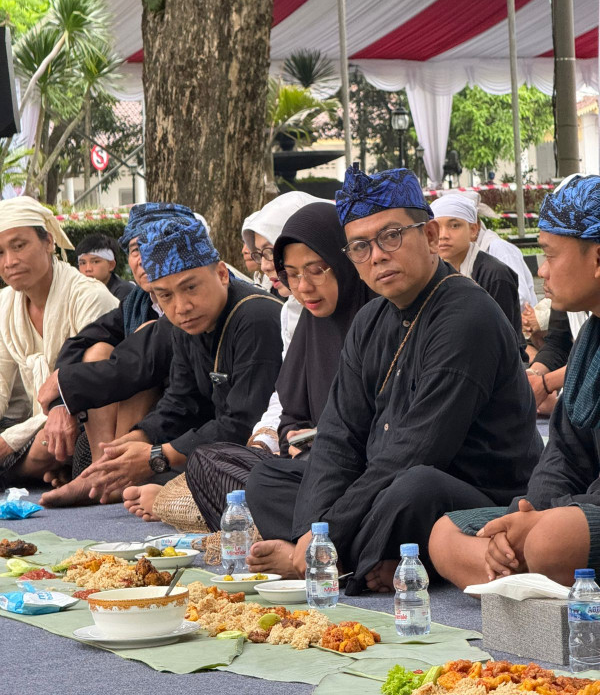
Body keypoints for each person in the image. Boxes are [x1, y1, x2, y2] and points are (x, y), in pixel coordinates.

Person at [242, 166, 541, 594]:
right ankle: (362, 555)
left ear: (431, 234)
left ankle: (327, 558)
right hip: (386, 482)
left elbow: (418, 450)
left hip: (467, 491)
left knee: (414, 487)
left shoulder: (467, 316)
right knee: (267, 479)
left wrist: (317, 541)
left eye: (392, 236)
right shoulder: (371, 319)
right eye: (360, 246)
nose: (378, 255)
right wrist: (316, 526)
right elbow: (338, 434)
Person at [124, 201, 373, 528]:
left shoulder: (371, 317)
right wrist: (289, 437)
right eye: (293, 274)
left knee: (251, 479)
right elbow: (286, 406)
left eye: (315, 270)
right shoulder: (308, 318)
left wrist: (160, 455)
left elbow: (385, 423)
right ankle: (274, 521)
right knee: (212, 463)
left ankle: (259, 522)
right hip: (302, 466)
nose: (303, 286)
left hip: (360, 471)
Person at [429, 174, 600, 589]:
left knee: (550, 542)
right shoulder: (591, 336)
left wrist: (545, 521)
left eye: (549, 255)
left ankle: (522, 573)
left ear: (596, 259)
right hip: (569, 509)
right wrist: (528, 513)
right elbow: (562, 452)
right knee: (443, 535)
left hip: (586, 511)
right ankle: (522, 574)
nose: (542, 270)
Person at [76, 217, 283, 503]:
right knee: (125, 476)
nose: (181, 307)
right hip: (213, 448)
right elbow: (180, 401)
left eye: (191, 288)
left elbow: (242, 423)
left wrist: (158, 457)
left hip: (265, 452)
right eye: (165, 296)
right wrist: (138, 440)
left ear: (222, 274)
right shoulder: (186, 324)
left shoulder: (257, 317)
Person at [36, 203, 198, 506]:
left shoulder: (200, 299)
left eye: (155, 246)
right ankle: (103, 470)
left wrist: (65, 384)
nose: (145, 259)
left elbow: (136, 364)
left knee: (139, 342)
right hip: (125, 425)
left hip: (184, 416)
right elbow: (79, 343)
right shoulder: (136, 300)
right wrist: (60, 401)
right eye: (136, 250)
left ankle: (110, 474)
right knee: (97, 350)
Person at [0, 196, 117, 485]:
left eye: (19, 245)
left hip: (85, 414)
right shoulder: (4, 305)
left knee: (49, 441)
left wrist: (9, 440)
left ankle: (47, 472)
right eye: (0, 253)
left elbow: (89, 383)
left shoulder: (88, 296)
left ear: (48, 242)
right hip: (36, 419)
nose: (9, 262)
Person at [430, 193, 524, 352]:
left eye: (454, 226)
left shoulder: (495, 275)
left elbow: (502, 341)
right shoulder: (430, 275)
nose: (444, 235)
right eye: (437, 227)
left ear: (473, 230)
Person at [75, 232, 134, 301]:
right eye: (82, 263)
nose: (88, 269)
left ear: (111, 265)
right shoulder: (78, 291)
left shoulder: (125, 292)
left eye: (95, 262)